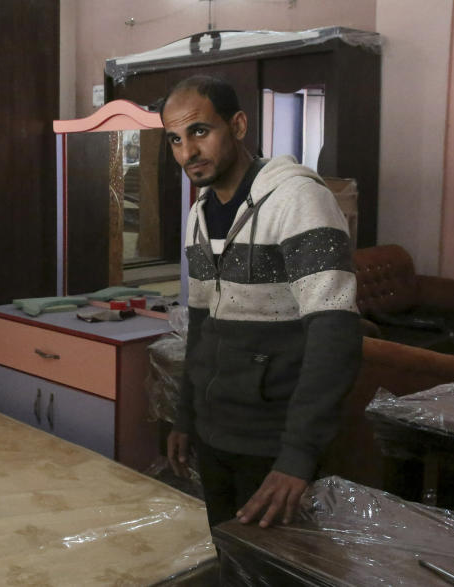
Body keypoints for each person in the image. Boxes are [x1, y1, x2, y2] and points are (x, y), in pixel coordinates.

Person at [160, 76, 362, 529]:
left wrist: (298, 456)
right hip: (216, 434)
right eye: (174, 139)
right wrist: (186, 417)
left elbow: (335, 331)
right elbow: (202, 325)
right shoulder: (199, 213)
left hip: (274, 444)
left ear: (238, 125)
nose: (187, 153)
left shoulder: (297, 198)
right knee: (228, 557)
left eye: (199, 131)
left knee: (274, 573)